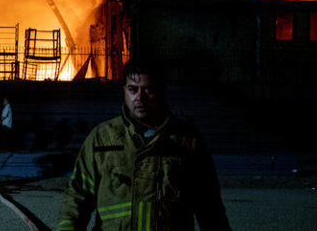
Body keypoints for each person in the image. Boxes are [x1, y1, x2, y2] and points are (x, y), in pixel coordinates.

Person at [56, 58, 231, 231]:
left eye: (148, 90)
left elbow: (210, 208)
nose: (139, 98)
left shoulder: (187, 141)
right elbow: (76, 198)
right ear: (124, 90)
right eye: (133, 89)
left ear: (161, 91)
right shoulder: (101, 139)